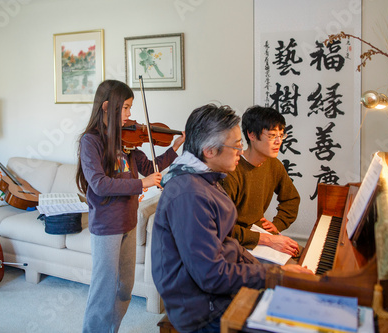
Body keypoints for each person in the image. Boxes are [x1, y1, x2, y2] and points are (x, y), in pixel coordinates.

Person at [151, 104, 312, 333]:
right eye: (236, 146)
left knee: (298, 296)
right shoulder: (190, 194)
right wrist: (275, 274)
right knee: (298, 321)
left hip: (218, 287)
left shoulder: (207, 179)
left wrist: (266, 270)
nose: (240, 151)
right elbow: (211, 276)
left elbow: (227, 245)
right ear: (209, 150)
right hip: (204, 308)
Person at [76, 79, 184, 333]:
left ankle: (110, 329)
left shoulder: (128, 141)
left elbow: (149, 168)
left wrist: (174, 148)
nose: (129, 115)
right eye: (125, 108)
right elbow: (100, 184)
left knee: (125, 286)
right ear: (106, 107)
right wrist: (140, 184)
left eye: (130, 107)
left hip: (129, 221)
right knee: (103, 287)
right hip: (106, 225)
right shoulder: (91, 142)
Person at [221, 106, 301, 258]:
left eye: (281, 135)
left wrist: (277, 225)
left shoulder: (273, 164)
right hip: (235, 243)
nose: (278, 142)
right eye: (271, 136)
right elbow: (223, 228)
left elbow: (291, 199)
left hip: (260, 234)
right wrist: (268, 239)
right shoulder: (232, 171)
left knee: (300, 255)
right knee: (292, 270)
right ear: (251, 134)